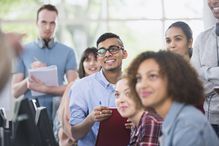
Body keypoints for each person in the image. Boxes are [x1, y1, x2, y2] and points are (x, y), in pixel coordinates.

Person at [127, 51, 219, 146]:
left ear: (174, 79)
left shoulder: (187, 126)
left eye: (152, 76)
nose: (142, 85)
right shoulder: (173, 119)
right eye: (139, 78)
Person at [11, 4, 78, 120]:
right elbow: (15, 91)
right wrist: (30, 78)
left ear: (57, 25)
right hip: (29, 114)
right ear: (36, 23)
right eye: (44, 22)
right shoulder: (23, 50)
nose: (48, 27)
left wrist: (45, 89)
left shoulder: (68, 52)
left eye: (52, 23)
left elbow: (74, 88)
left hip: (59, 113)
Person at [69, 32, 128, 146]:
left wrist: (137, 123)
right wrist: (91, 119)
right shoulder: (81, 86)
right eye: (102, 51)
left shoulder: (136, 84)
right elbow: (75, 134)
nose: (107, 54)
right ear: (99, 57)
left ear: (124, 54)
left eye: (113, 49)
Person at [56, 47, 101, 146]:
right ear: (82, 64)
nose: (92, 63)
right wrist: (77, 139)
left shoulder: (104, 87)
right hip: (73, 141)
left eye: (96, 59)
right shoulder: (74, 86)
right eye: (87, 60)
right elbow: (66, 119)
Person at [191, 0, 219, 137]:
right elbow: (197, 83)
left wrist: (206, 72)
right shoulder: (202, 39)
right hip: (211, 124)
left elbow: (201, 76)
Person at [115, 75, 162, 146]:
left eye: (128, 94)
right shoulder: (136, 124)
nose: (120, 100)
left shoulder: (150, 122)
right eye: (117, 94)